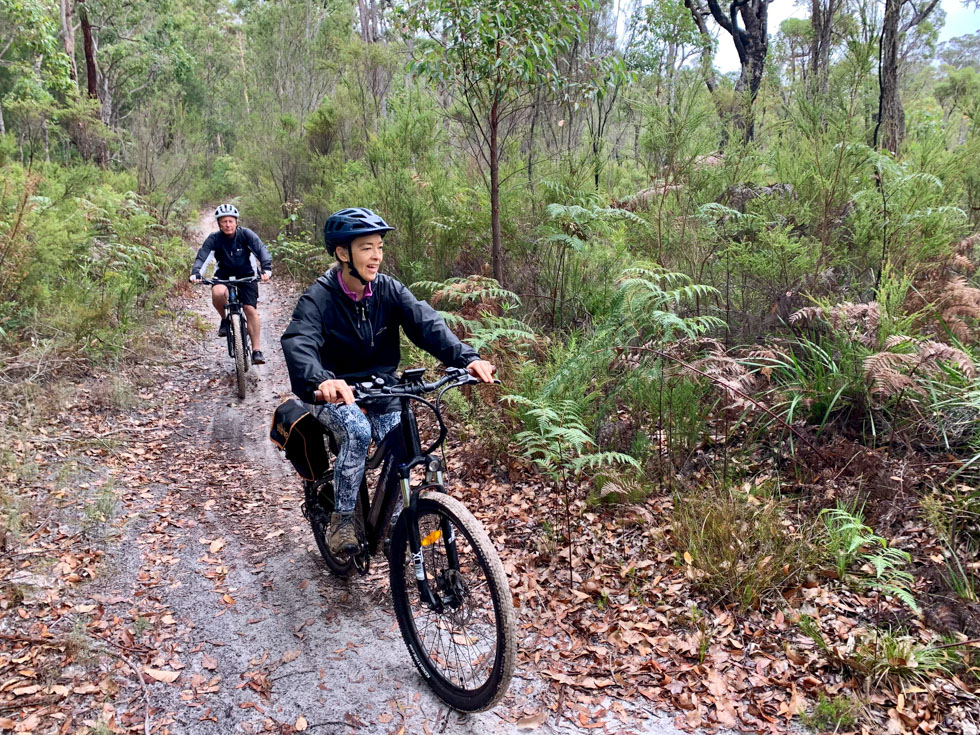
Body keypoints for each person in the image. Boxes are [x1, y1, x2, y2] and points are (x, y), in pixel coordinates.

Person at [281, 207, 495, 555]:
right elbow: (299, 342)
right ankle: (343, 519)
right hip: (331, 392)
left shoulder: (388, 290)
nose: (377, 255)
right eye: (367, 247)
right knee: (357, 431)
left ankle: (398, 515)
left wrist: (467, 359)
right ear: (342, 253)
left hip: (380, 386)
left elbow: (428, 326)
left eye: (379, 246)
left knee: (400, 439)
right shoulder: (318, 298)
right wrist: (321, 380)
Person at [190, 204, 273, 364]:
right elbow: (203, 256)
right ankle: (224, 319)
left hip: (247, 276)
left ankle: (256, 350)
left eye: (230, 221)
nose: (228, 225)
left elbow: (261, 249)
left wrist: (266, 269)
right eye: (224, 222)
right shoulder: (214, 239)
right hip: (223, 276)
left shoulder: (245, 235)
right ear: (219, 224)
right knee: (218, 293)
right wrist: (196, 273)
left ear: (236, 222)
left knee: (250, 309)